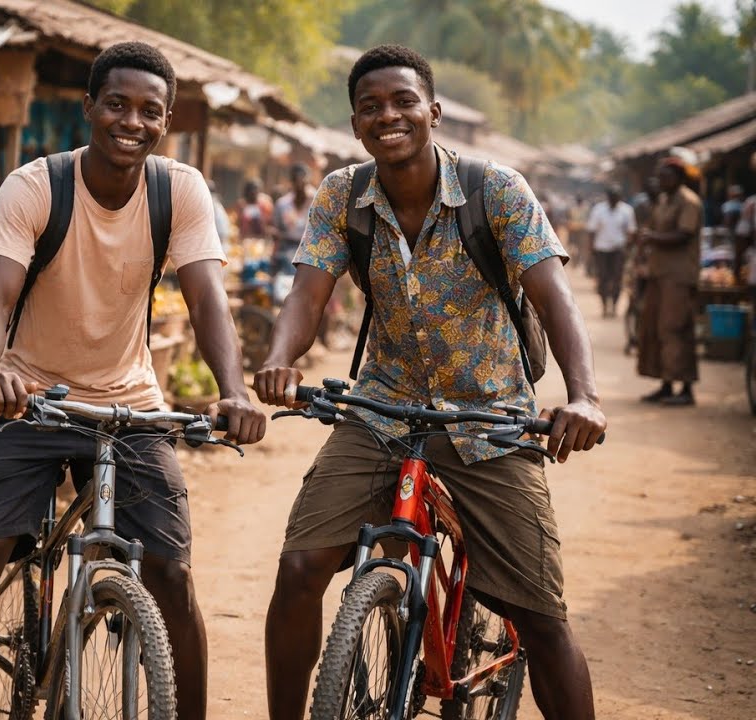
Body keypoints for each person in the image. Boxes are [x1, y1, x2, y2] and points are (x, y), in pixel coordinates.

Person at [252, 45, 606, 720]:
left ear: (433, 112)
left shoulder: (496, 190)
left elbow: (555, 297)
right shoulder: (343, 194)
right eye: (371, 106)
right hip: (382, 410)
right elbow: (307, 294)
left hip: (491, 422)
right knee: (299, 571)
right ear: (356, 124)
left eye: (404, 101)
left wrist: (584, 395)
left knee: (539, 614)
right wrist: (279, 358)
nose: (389, 115)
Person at [0, 41, 266, 720]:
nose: (132, 121)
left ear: (165, 121)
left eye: (150, 110)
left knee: (171, 579)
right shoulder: (35, 187)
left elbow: (206, 301)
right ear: (90, 108)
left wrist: (234, 388)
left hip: (130, 404)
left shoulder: (180, 191)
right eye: (117, 103)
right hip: (29, 397)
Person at [636, 156, 703, 406]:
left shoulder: (689, 202)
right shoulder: (663, 201)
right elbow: (652, 230)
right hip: (659, 274)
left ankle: (685, 387)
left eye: (666, 177)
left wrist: (651, 237)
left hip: (679, 277)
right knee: (655, 328)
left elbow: (683, 235)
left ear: (679, 178)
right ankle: (666, 383)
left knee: (676, 328)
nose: (661, 181)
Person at [586, 185, 636, 317]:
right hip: (601, 250)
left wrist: (628, 249)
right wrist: (591, 249)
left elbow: (631, 231)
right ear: (608, 198)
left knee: (617, 279)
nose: (614, 200)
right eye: (612, 197)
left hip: (618, 250)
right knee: (602, 278)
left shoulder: (627, 210)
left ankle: (614, 306)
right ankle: (604, 306)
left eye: (616, 198)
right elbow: (592, 230)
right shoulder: (598, 210)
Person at [272, 163, 317, 270]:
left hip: (312, 251)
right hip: (287, 250)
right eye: (297, 181)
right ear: (291, 182)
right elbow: (276, 229)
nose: (300, 184)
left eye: (303, 181)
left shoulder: (318, 201)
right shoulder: (283, 204)